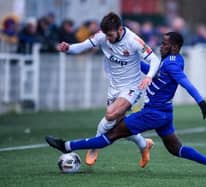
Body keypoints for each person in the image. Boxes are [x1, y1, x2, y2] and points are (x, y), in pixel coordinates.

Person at [46, 32, 206, 176]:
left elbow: (185, 82)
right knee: (175, 148)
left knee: (112, 132)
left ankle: (67, 146)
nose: (160, 47)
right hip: (165, 113)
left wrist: (201, 103)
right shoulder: (172, 60)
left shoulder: (171, 64)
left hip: (153, 113)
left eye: (164, 44)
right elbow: (151, 71)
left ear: (175, 46)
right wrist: (129, 59)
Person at [56, 12, 161, 168]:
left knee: (110, 115)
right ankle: (143, 144)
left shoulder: (133, 40)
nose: (107, 39)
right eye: (105, 35)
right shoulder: (102, 36)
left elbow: (154, 59)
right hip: (114, 87)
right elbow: (83, 46)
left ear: (119, 29)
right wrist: (68, 48)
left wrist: (149, 76)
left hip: (132, 88)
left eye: (110, 35)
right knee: (118, 126)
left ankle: (93, 148)